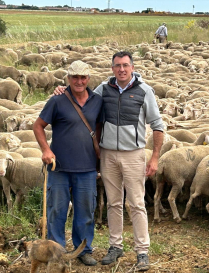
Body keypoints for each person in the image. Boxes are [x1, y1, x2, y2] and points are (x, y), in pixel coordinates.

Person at [54, 51, 164, 271]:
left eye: (125, 65)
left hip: (133, 154)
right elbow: (81, 98)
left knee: (137, 203)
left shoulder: (145, 91)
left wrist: (154, 157)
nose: (121, 69)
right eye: (117, 66)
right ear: (112, 68)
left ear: (132, 67)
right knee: (113, 202)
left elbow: (157, 125)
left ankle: (142, 251)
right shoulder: (103, 89)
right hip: (107, 155)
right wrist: (61, 91)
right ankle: (115, 246)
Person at [33, 60, 103, 266]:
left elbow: (98, 129)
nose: (79, 81)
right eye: (74, 77)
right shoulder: (57, 100)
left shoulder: (97, 101)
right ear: (68, 79)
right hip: (59, 167)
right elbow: (38, 126)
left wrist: (100, 159)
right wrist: (46, 149)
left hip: (87, 167)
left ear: (88, 79)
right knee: (57, 210)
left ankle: (84, 250)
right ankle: (56, 251)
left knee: (86, 210)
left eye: (83, 77)